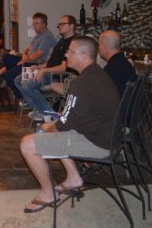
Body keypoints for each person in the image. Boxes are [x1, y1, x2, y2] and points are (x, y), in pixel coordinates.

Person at [19, 36, 119, 213]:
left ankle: (48, 194)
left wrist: (44, 130)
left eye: (70, 51)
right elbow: (74, 117)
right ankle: (73, 178)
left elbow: (64, 126)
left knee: (28, 144)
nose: (66, 54)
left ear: (83, 55)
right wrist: (53, 124)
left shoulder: (82, 83)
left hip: (99, 144)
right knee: (53, 125)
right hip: (105, 135)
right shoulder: (96, 74)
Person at [14, 15, 77, 116]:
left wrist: (44, 71)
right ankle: (38, 110)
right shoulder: (62, 40)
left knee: (27, 85)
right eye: (59, 24)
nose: (59, 26)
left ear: (72, 26)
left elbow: (63, 67)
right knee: (18, 80)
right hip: (48, 72)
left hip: (57, 76)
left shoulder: (73, 43)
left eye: (63, 24)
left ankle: (50, 115)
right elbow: (51, 62)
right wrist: (38, 67)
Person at [0, 12, 57, 97]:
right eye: (33, 23)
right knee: (7, 57)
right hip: (28, 60)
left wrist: (25, 59)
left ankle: (22, 97)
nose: (34, 25)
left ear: (44, 24)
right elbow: (28, 48)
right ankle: (17, 73)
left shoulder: (47, 36)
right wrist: (24, 55)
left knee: (8, 75)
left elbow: (38, 54)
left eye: (37, 23)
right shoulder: (39, 35)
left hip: (35, 63)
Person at [98, 30, 138, 97]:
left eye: (98, 44)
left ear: (103, 46)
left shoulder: (111, 70)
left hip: (118, 107)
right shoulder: (125, 64)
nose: (98, 48)